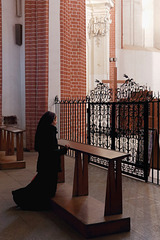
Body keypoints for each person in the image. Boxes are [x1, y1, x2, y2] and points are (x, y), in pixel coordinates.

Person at [12, 111, 68, 210]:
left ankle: (20, 196)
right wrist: (63, 150)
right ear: (51, 120)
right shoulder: (50, 131)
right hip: (49, 164)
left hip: (44, 163)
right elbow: (50, 151)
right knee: (43, 187)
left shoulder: (43, 129)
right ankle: (21, 197)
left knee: (40, 185)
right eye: (55, 119)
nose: (56, 121)